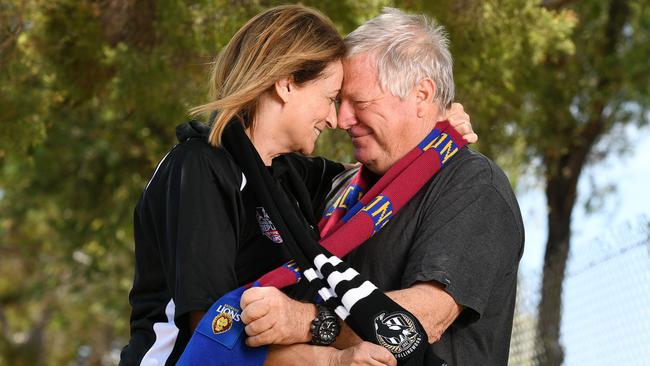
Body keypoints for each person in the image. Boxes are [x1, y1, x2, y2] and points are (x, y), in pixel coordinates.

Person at [119, 5, 476, 366]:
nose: (335, 119)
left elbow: (382, 171)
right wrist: (331, 361)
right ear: (287, 82)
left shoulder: (291, 177)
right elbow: (214, 332)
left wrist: (436, 125)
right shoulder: (198, 167)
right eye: (330, 98)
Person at [239, 8, 524, 366]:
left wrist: (305, 322)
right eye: (337, 101)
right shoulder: (340, 186)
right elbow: (255, 152)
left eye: (359, 103)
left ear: (422, 95)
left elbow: (425, 317)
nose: (341, 120)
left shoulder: (472, 184)